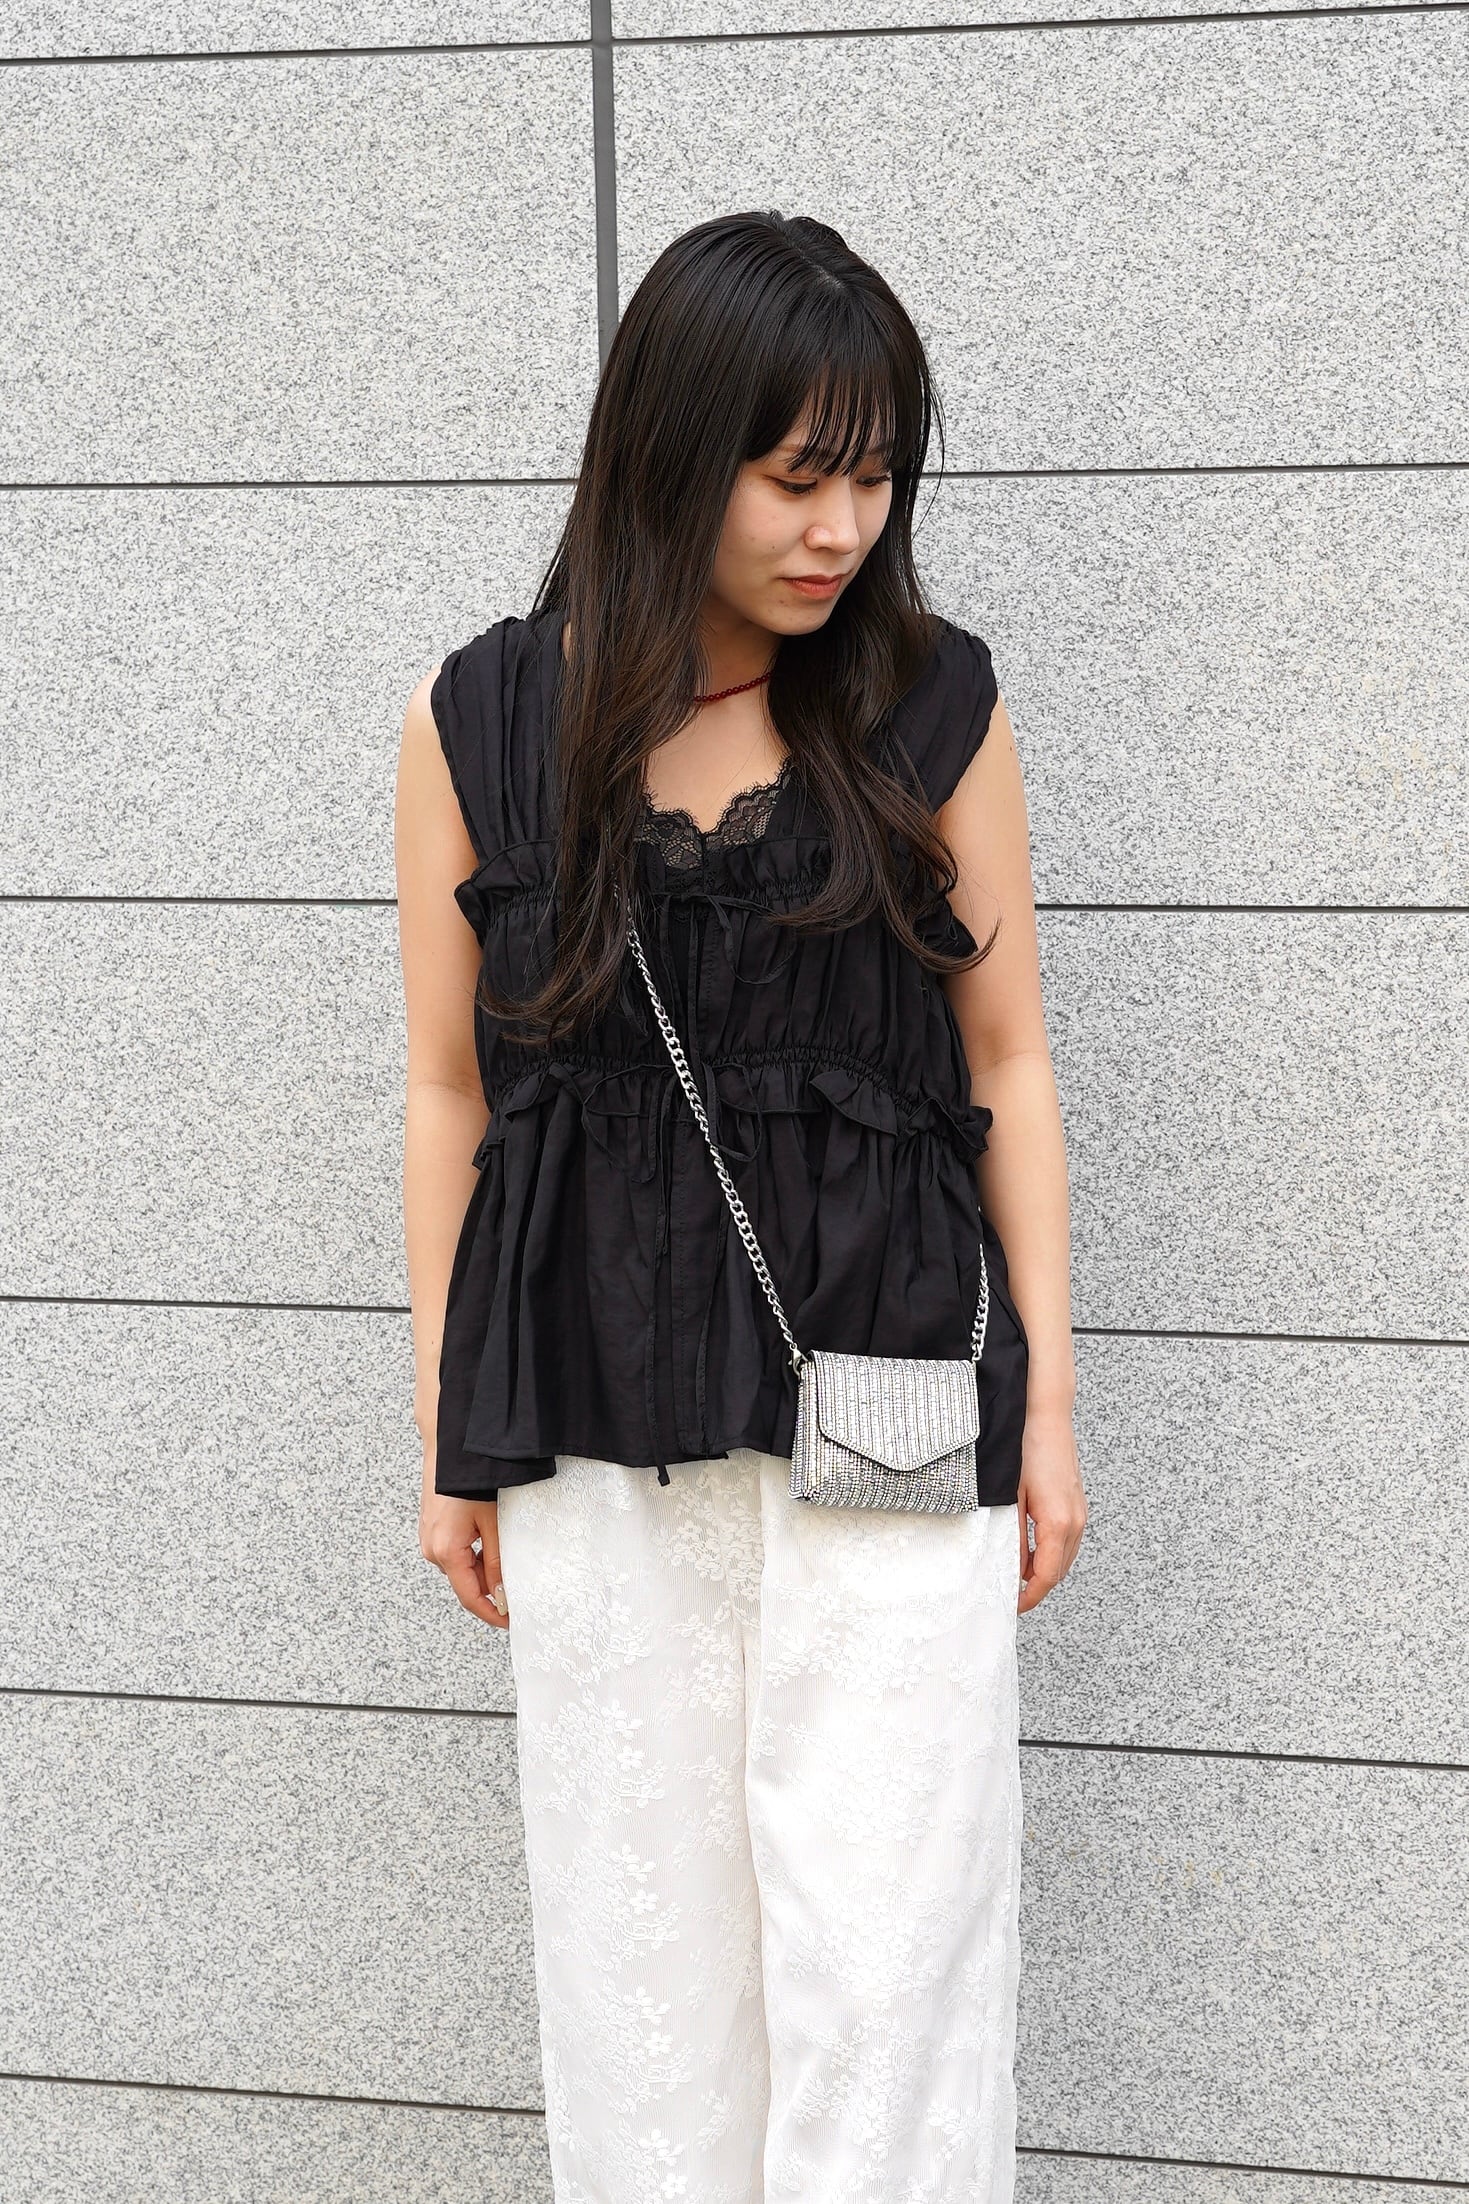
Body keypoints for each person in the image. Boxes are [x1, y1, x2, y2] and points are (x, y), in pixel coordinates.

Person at [395, 209, 1086, 2203]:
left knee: (892, 1962)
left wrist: (1049, 1406)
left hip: (895, 1401)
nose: (843, 527)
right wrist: (445, 1427)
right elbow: (450, 1093)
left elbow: (1010, 1060)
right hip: (590, 1416)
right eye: (798, 475)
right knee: (642, 1975)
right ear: (674, 447)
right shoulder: (483, 723)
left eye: (877, 476)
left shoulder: (927, 706)